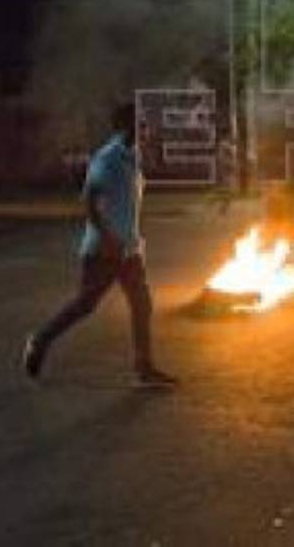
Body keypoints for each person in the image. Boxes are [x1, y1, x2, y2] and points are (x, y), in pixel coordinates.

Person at [21, 102, 177, 387]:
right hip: (103, 251)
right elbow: (89, 203)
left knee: (142, 305)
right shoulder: (107, 159)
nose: (147, 130)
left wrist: (133, 238)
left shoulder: (133, 157)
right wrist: (108, 238)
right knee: (85, 305)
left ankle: (144, 369)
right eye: (142, 125)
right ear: (129, 126)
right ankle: (39, 340)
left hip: (129, 250)